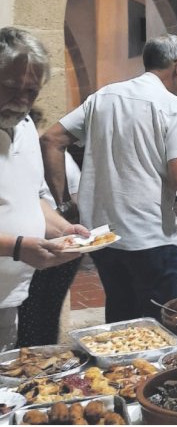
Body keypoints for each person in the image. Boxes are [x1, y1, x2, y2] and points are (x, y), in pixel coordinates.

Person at [40, 34, 177, 324]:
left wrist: (64, 204)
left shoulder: (102, 97)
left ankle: (119, 368)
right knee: (162, 324)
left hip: (104, 236)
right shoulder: (172, 106)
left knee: (121, 318)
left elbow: (51, 139)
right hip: (150, 237)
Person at [0, 26, 87, 350]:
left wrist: (66, 230)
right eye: (11, 87)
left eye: (32, 91)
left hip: (10, 296)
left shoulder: (22, 127)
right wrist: (18, 247)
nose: (22, 100)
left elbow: (31, 198)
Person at [16, 107, 84, 347]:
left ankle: (38, 358)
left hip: (48, 242)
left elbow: (37, 198)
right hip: (30, 246)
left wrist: (66, 227)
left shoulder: (37, 152)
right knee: (38, 312)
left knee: (37, 312)